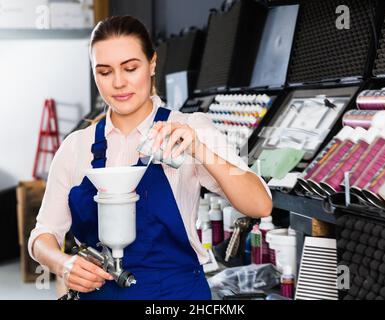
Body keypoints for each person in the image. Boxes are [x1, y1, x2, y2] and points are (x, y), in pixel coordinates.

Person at [28, 15, 272, 300]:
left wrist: (200, 150)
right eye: (104, 72)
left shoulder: (192, 129)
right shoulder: (76, 147)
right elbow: (42, 236)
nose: (119, 83)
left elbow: (260, 205)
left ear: (152, 63)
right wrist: (63, 263)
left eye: (130, 68)